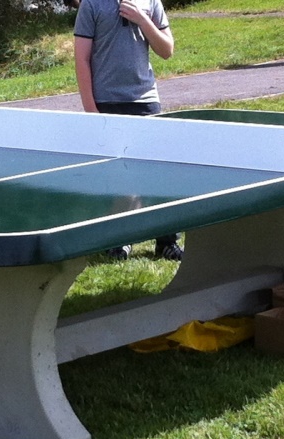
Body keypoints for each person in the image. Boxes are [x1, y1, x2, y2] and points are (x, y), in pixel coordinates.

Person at [74, 0, 183, 261]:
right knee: (118, 176)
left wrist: (142, 20)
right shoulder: (92, 4)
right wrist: (91, 110)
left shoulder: (151, 2)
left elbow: (167, 50)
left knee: (157, 173)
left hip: (146, 100)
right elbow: (81, 58)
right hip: (106, 102)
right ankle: (120, 240)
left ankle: (166, 241)